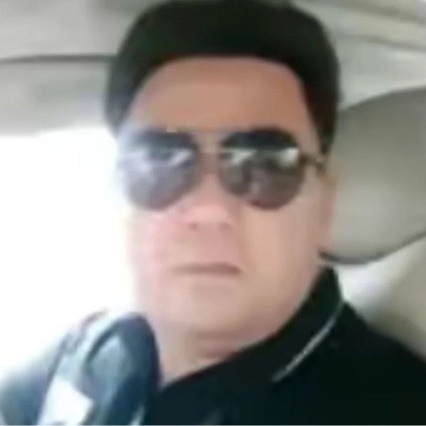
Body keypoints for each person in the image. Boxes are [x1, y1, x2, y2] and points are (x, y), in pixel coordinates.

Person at [1, 0, 426, 424]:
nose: (208, 209)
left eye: (265, 165)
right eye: (158, 162)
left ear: (323, 204)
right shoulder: (89, 352)